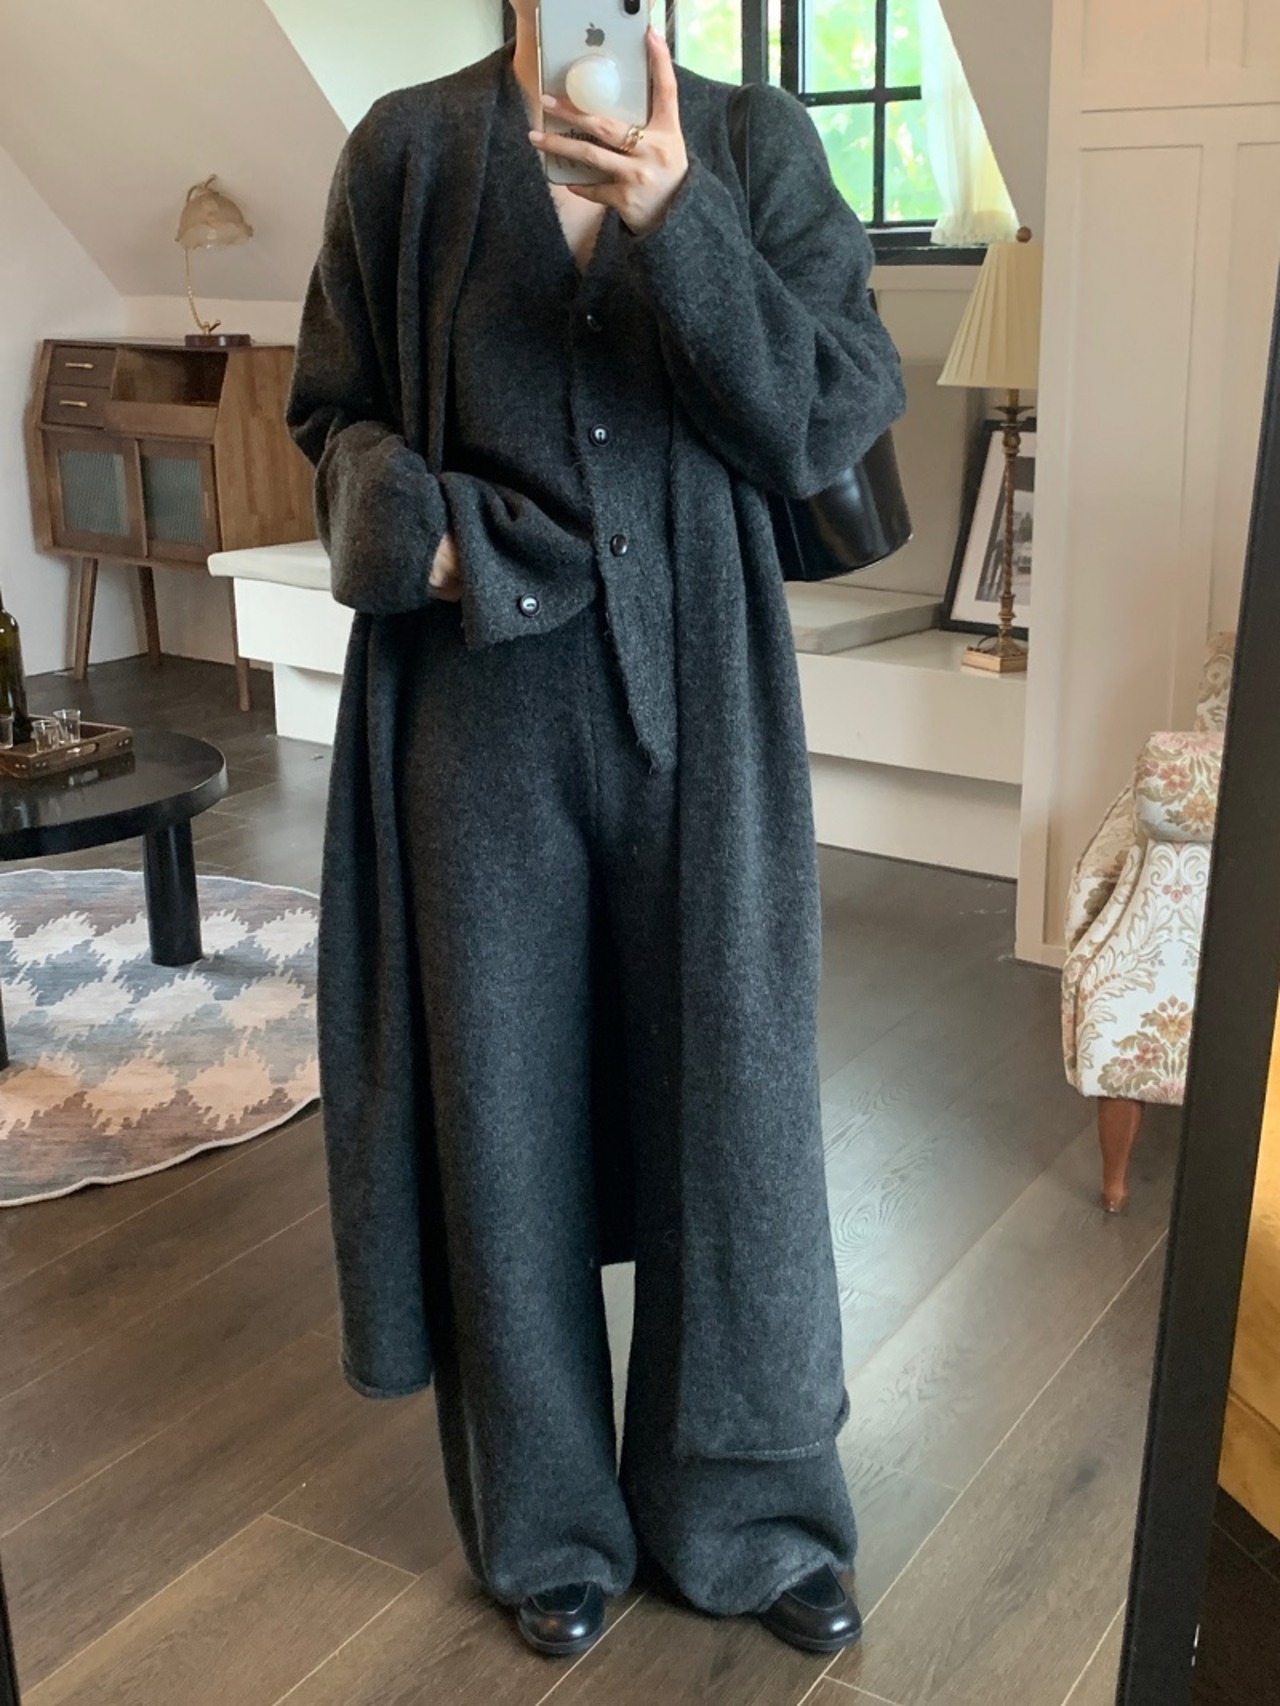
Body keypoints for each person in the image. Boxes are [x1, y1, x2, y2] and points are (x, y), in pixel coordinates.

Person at [285, 0, 906, 1663]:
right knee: (502, 1120)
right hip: (474, 712)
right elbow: (330, 416)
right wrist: (409, 533)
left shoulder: (758, 144)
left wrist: (675, 217)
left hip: (708, 697)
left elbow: (831, 409)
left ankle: (750, 1512)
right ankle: (545, 1518)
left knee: (738, 1109)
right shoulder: (404, 155)